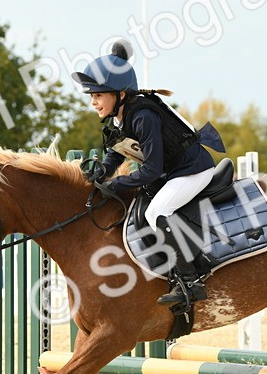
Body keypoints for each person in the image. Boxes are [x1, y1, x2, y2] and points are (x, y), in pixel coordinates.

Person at [72, 40, 225, 306]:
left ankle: (190, 282)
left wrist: (116, 183)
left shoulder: (143, 115)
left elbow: (151, 169)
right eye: (91, 96)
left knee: (158, 212)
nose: (93, 102)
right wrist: (103, 172)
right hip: (174, 172)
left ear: (119, 94)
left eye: (98, 95)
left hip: (192, 170)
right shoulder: (123, 114)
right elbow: (119, 149)